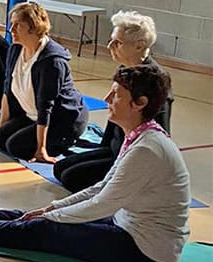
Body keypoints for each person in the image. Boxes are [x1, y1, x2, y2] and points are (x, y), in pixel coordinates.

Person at [0, 64, 189, 262]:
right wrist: (51, 208)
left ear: (139, 102)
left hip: (145, 251)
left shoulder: (147, 149)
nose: (107, 99)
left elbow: (102, 204)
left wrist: (52, 216)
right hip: (126, 226)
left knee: (44, 229)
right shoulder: (140, 137)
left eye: (116, 94)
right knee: (35, 215)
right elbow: (101, 188)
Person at [54, 11, 173, 192]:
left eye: (118, 42)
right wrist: (102, 148)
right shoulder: (124, 70)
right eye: (111, 40)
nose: (110, 46)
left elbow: (160, 135)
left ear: (139, 46)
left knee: (71, 178)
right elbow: (114, 116)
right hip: (115, 148)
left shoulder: (155, 81)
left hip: (131, 157)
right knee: (60, 168)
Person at [0, 2, 87, 161]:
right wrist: (2, 127)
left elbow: (46, 106)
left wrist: (41, 149)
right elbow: (7, 91)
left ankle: (62, 141)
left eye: (18, 25)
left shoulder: (52, 62)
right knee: (0, 138)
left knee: (15, 147)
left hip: (61, 119)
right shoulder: (15, 49)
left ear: (34, 27)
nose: (11, 29)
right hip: (32, 115)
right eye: (11, 24)